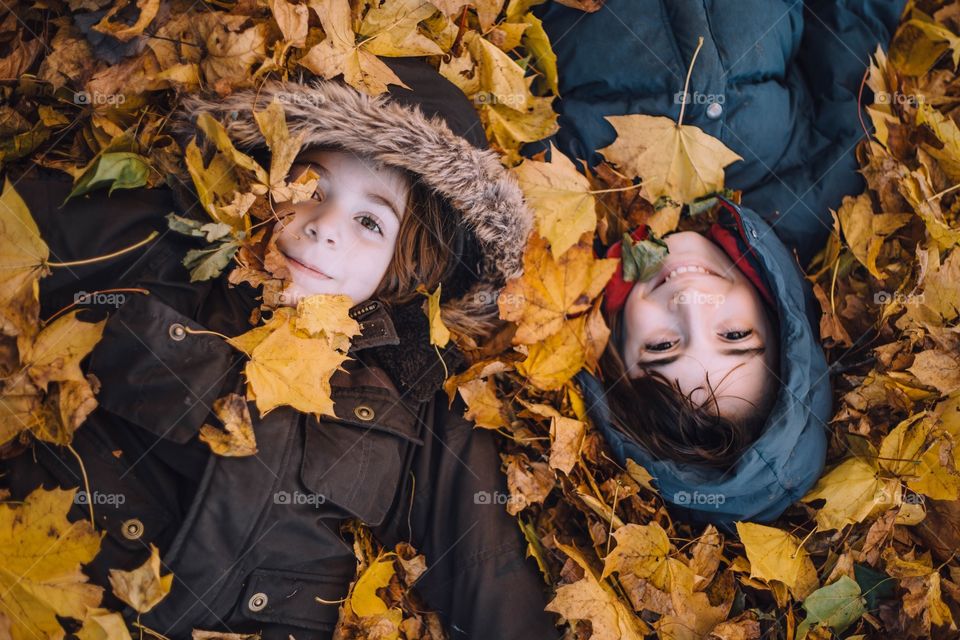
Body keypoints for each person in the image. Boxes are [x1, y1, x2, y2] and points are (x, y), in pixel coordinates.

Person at [1, 59, 560, 638]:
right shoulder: (175, 255)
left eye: (370, 221)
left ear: (406, 266)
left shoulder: (410, 392)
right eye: (310, 186)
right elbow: (21, 240)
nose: (324, 225)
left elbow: (483, 568)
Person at [535, 0, 906, 528]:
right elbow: (851, 25)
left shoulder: (554, 205)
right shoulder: (822, 189)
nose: (690, 306)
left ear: (611, 352)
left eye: (662, 346)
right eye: (734, 334)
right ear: (778, 316)